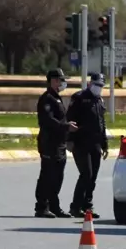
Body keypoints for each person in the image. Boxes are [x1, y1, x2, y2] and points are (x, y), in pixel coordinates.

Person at [34, 69, 78, 218]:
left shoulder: (56, 98)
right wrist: (66, 126)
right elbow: (48, 121)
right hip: (49, 143)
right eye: (60, 80)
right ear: (53, 81)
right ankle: (41, 206)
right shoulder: (46, 99)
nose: (62, 83)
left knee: (58, 176)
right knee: (47, 175)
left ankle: (54, 206)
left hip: (59, 143)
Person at [66, 73, 108, 219]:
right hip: (81, 142)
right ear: (90, 84)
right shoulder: (79, 98)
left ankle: (87, 206)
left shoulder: (99, 100)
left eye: (101, 86)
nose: (99, 88)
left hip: (95, 143)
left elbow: (102, 123)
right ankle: (75, 206)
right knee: (86, 174)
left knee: (93, 177)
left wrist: (105, 144)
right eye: (97, 85)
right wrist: (69, 140)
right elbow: (70, 120)